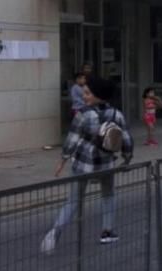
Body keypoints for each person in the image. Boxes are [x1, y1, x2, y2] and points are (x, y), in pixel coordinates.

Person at [42, 77, 133, 253]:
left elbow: (72, 140)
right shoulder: (117, 114)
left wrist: (63, 160)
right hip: (106, 164)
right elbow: (126, 139)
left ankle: (55, 232)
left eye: (87, 93)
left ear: (97, 95)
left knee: (74, 200)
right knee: (108, 196)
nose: (84, 96)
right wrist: (127, 158)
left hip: (83, 165)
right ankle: (107, 232)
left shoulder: (83, 114)